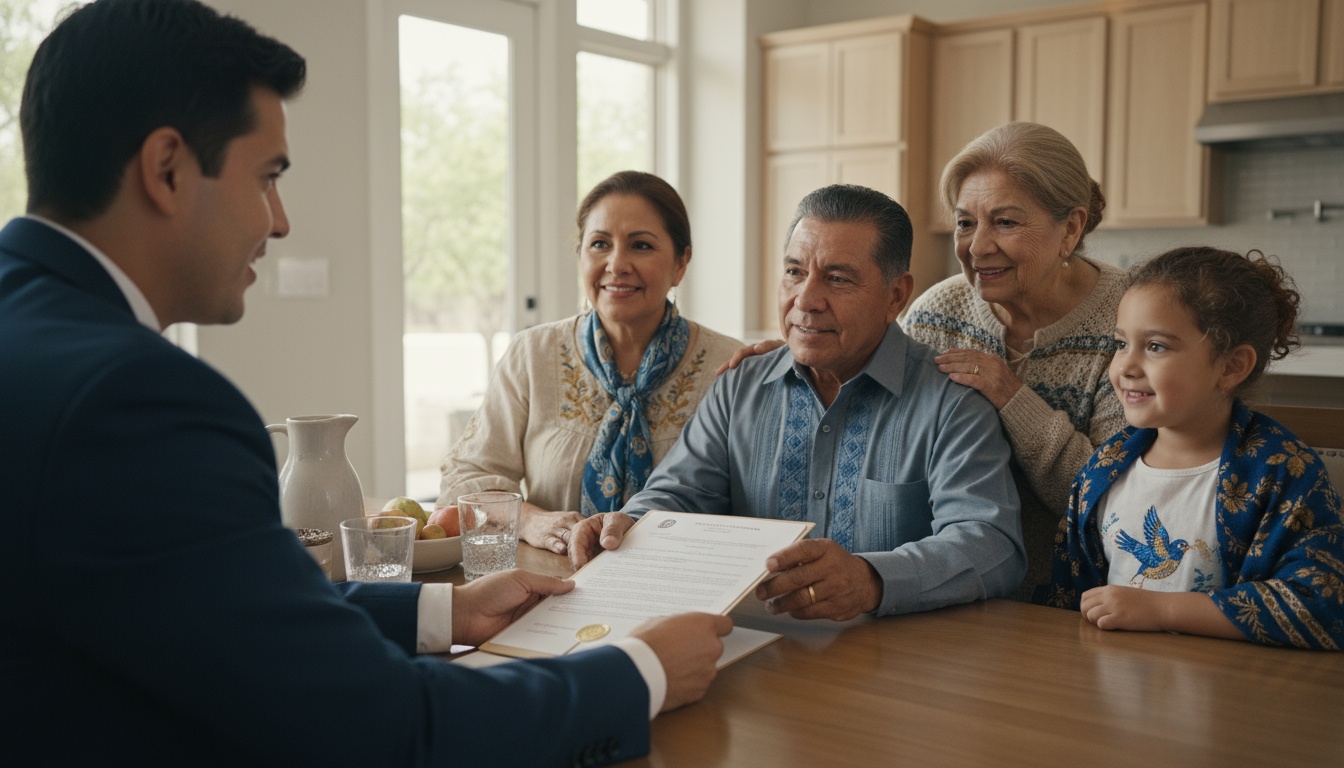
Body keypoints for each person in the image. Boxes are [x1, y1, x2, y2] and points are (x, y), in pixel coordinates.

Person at [0, 2, 729, 765]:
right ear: (168, 169)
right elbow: (382, 725)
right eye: (268, 177)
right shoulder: (137, 400)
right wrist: (641, 671)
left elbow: (213, 607)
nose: (280, 222)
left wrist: (439, 611)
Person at [570, 184, 1025, 620]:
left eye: (838, 279)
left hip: (896, 665)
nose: (805, 300)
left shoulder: (952, 401)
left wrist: (873, 579)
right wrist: (628, 524)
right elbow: (678, 494)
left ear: (896, 296)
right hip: (750, 652)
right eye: (794, 272)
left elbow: (991, 544)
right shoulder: (739, 385)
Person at [1043, 247, 1344, 649]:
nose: (1125, 367)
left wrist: (1163, 611)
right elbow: (1068, 597)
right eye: (1120, 343)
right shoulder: (1104, 468)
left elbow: (1323, 604)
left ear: (1231, 366)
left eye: (1155, 347)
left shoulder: (1281, 470)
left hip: (1228, 694)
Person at [438, 171, 741, 554]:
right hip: (551, 585)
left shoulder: (730, 367)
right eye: (600, 244)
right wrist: (529, 520)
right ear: (580, 256)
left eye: (641, 246)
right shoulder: (533, 354)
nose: (617, 264)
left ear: (681, 263)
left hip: (685, 589)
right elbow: (465, 479)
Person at [901, 122, 1125, 599]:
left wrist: (1011, 396)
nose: (977, 247)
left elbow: (1115, 503)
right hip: (944, 587)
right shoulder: (936, 315)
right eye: (965, 223)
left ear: (1070, 228)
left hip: (1080, 602)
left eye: (1005, 222)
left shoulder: (1129, 323)